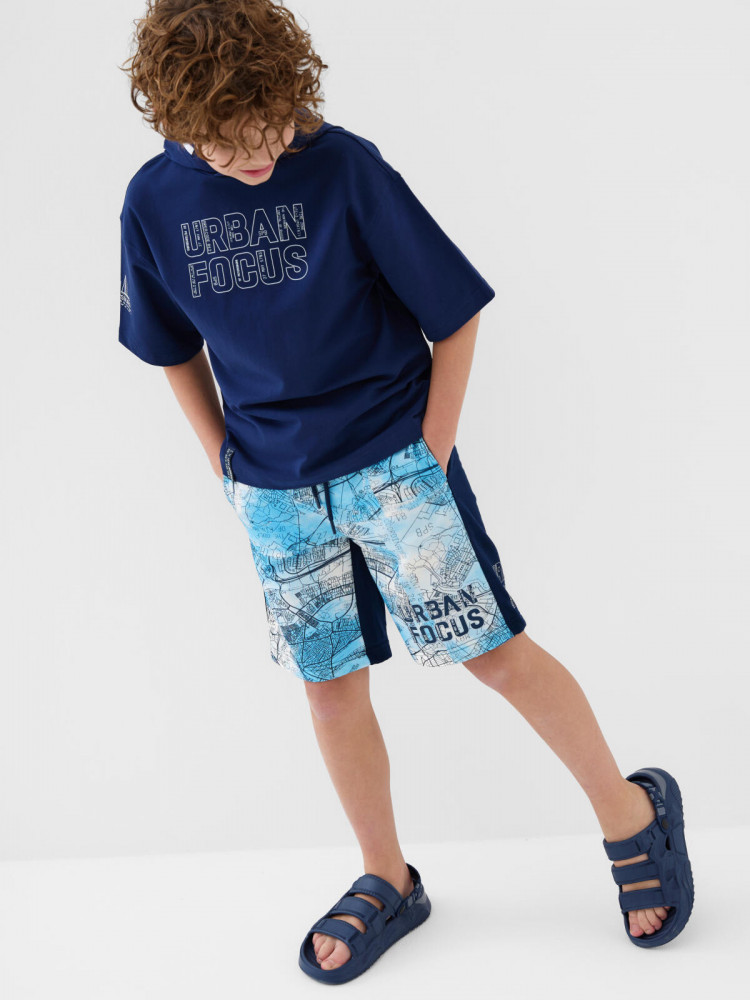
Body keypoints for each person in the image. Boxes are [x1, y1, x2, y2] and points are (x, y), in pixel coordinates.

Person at [117, 0, 694, 983]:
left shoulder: (343, 166)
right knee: (331, 688)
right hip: (276, 490)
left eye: (273, 129)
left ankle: (631, 813)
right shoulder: (152, 201)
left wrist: (431, 449)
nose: (260, 156)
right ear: (179, 121)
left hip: (394, 464)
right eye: (230, 144)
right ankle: (388, 876)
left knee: (492, 652)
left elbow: (454, 313)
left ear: (292, 95)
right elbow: (170, 346)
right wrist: (222, 459)